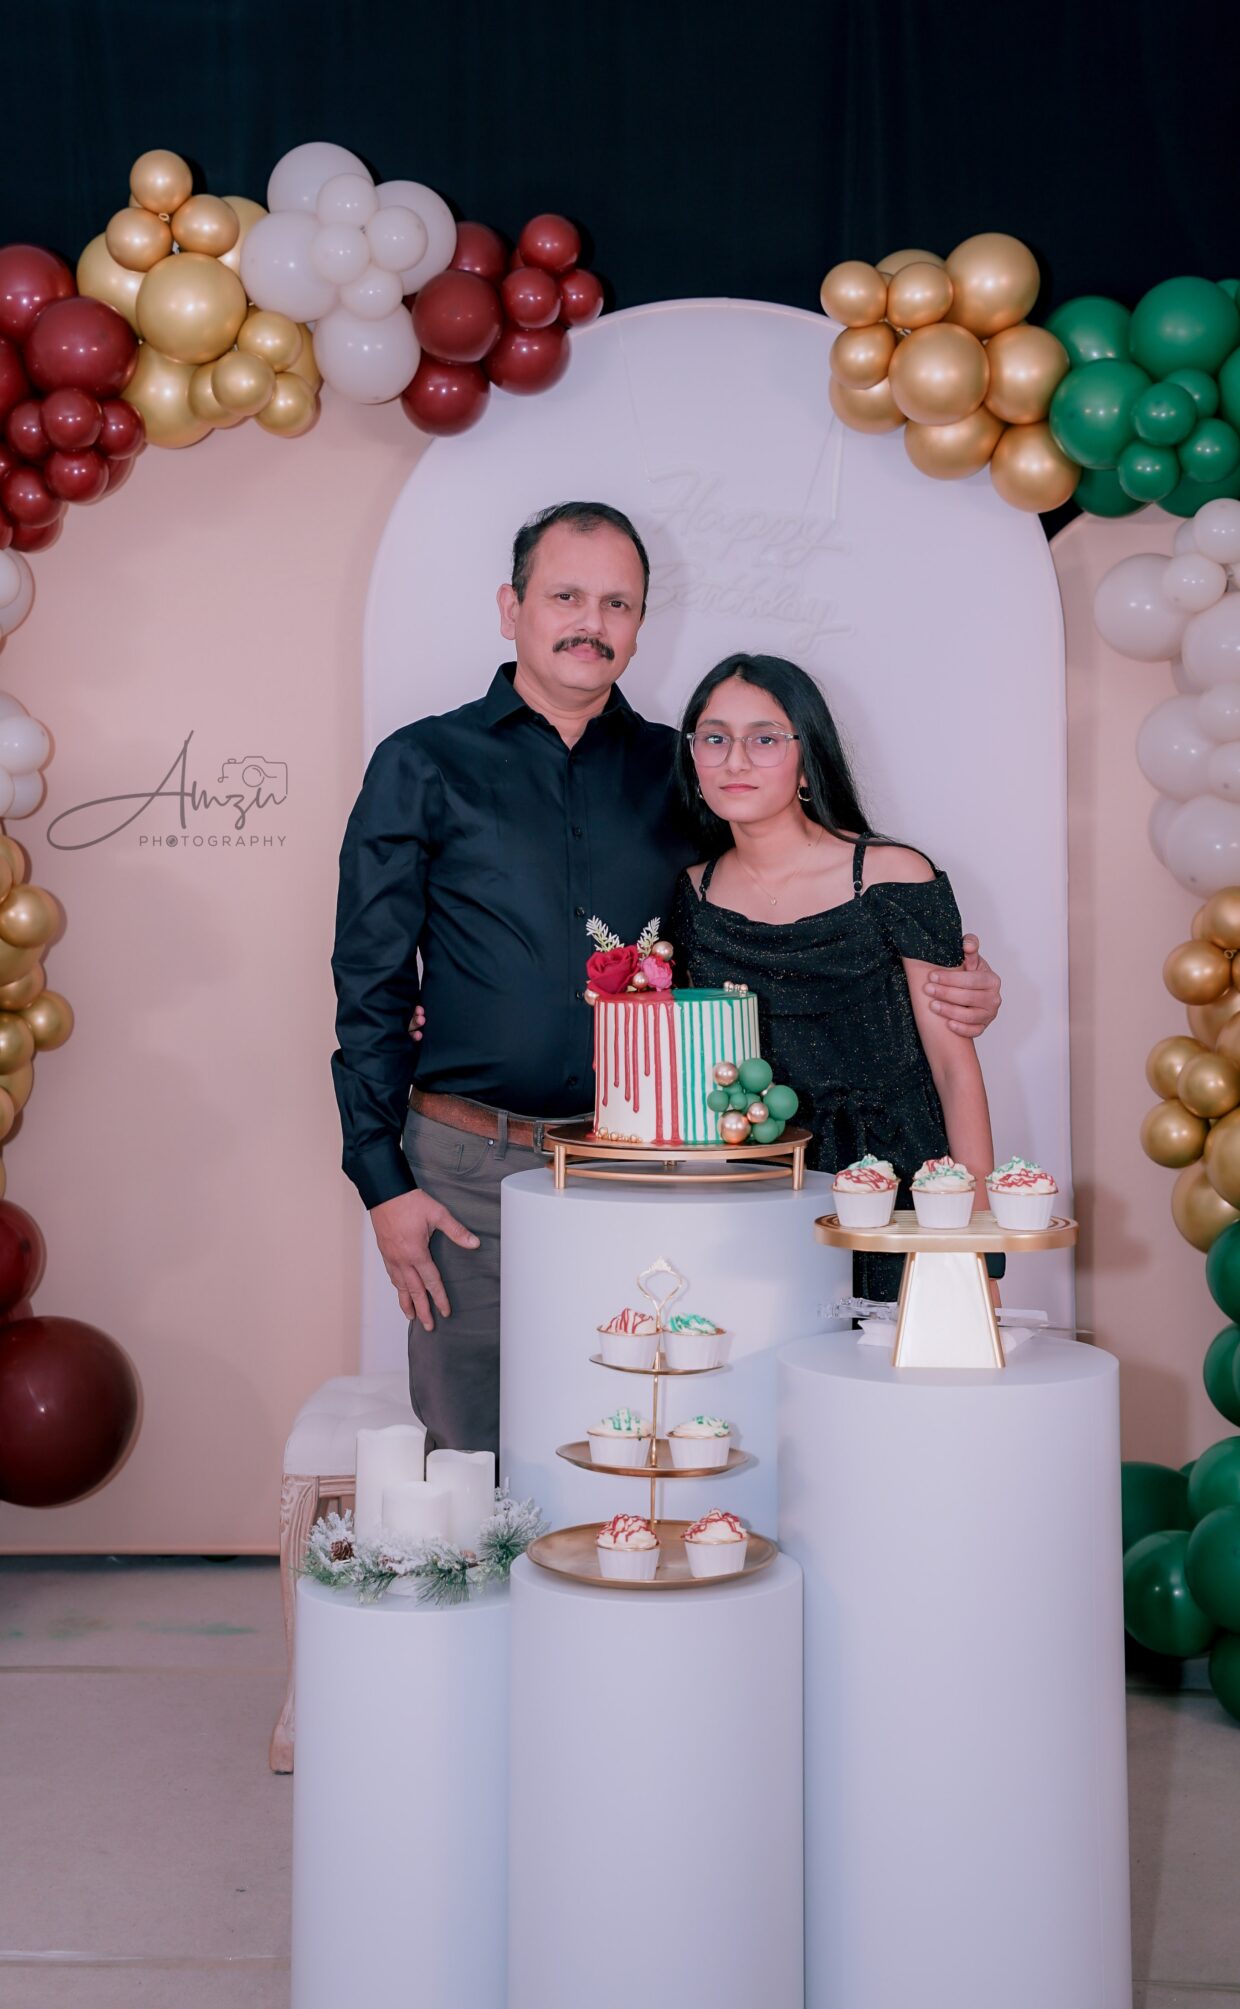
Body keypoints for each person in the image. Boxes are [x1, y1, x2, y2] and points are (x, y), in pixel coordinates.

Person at [332, 503, 1003, 1454]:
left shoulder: (683, 772)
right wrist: (381, 1179)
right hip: (465, 1166)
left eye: (617, 602)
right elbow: (369, 984)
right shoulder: (421, 762)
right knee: (468, 1444)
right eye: (565, 594)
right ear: (509, 605)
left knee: (649, 1436)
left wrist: (961, 982)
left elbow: (783, 911)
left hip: (645, 1169)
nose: (590, 621)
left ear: (640, 624)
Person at [671, 651, 998, 1301]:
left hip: (901, 1186)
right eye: (714, 738)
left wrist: (977, 1242)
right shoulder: (689, 896)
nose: (735, 760)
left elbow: (955, 1069)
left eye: (764, 739)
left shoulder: (893, 874)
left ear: (805, 757)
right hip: (759, 1194)